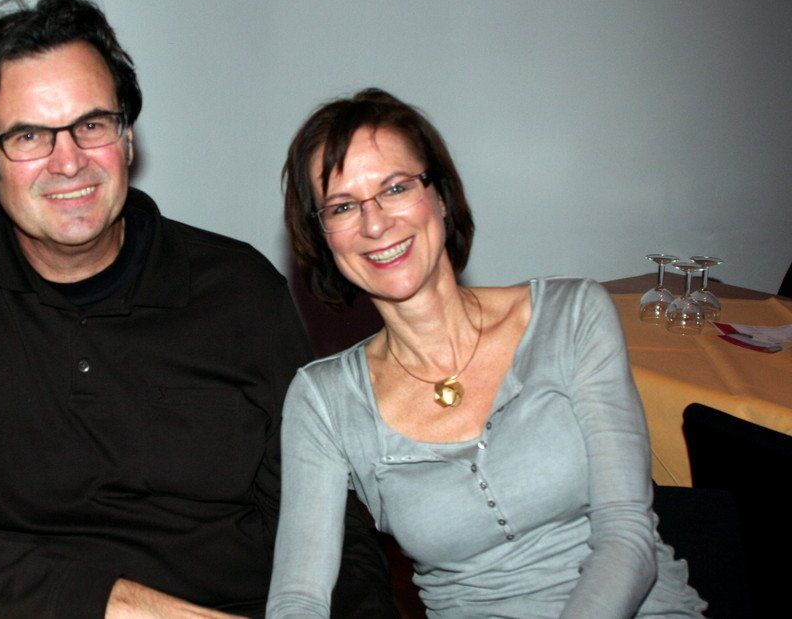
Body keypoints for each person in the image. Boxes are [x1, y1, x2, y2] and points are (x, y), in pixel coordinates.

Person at [0, 0, 397, 619]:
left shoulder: (239, 290)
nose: (69, 161)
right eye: (28, 136)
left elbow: (331, 529)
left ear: (127, 139)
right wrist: (135, 609)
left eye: (92, 125)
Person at [266, 88, 707, 617]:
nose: (375, 223)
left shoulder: (571, 316)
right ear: (322, 236)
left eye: (396, 188)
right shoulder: (324, 400)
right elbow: (298, 599)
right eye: (342, 206)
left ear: (441, 196)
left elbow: (627, 538)